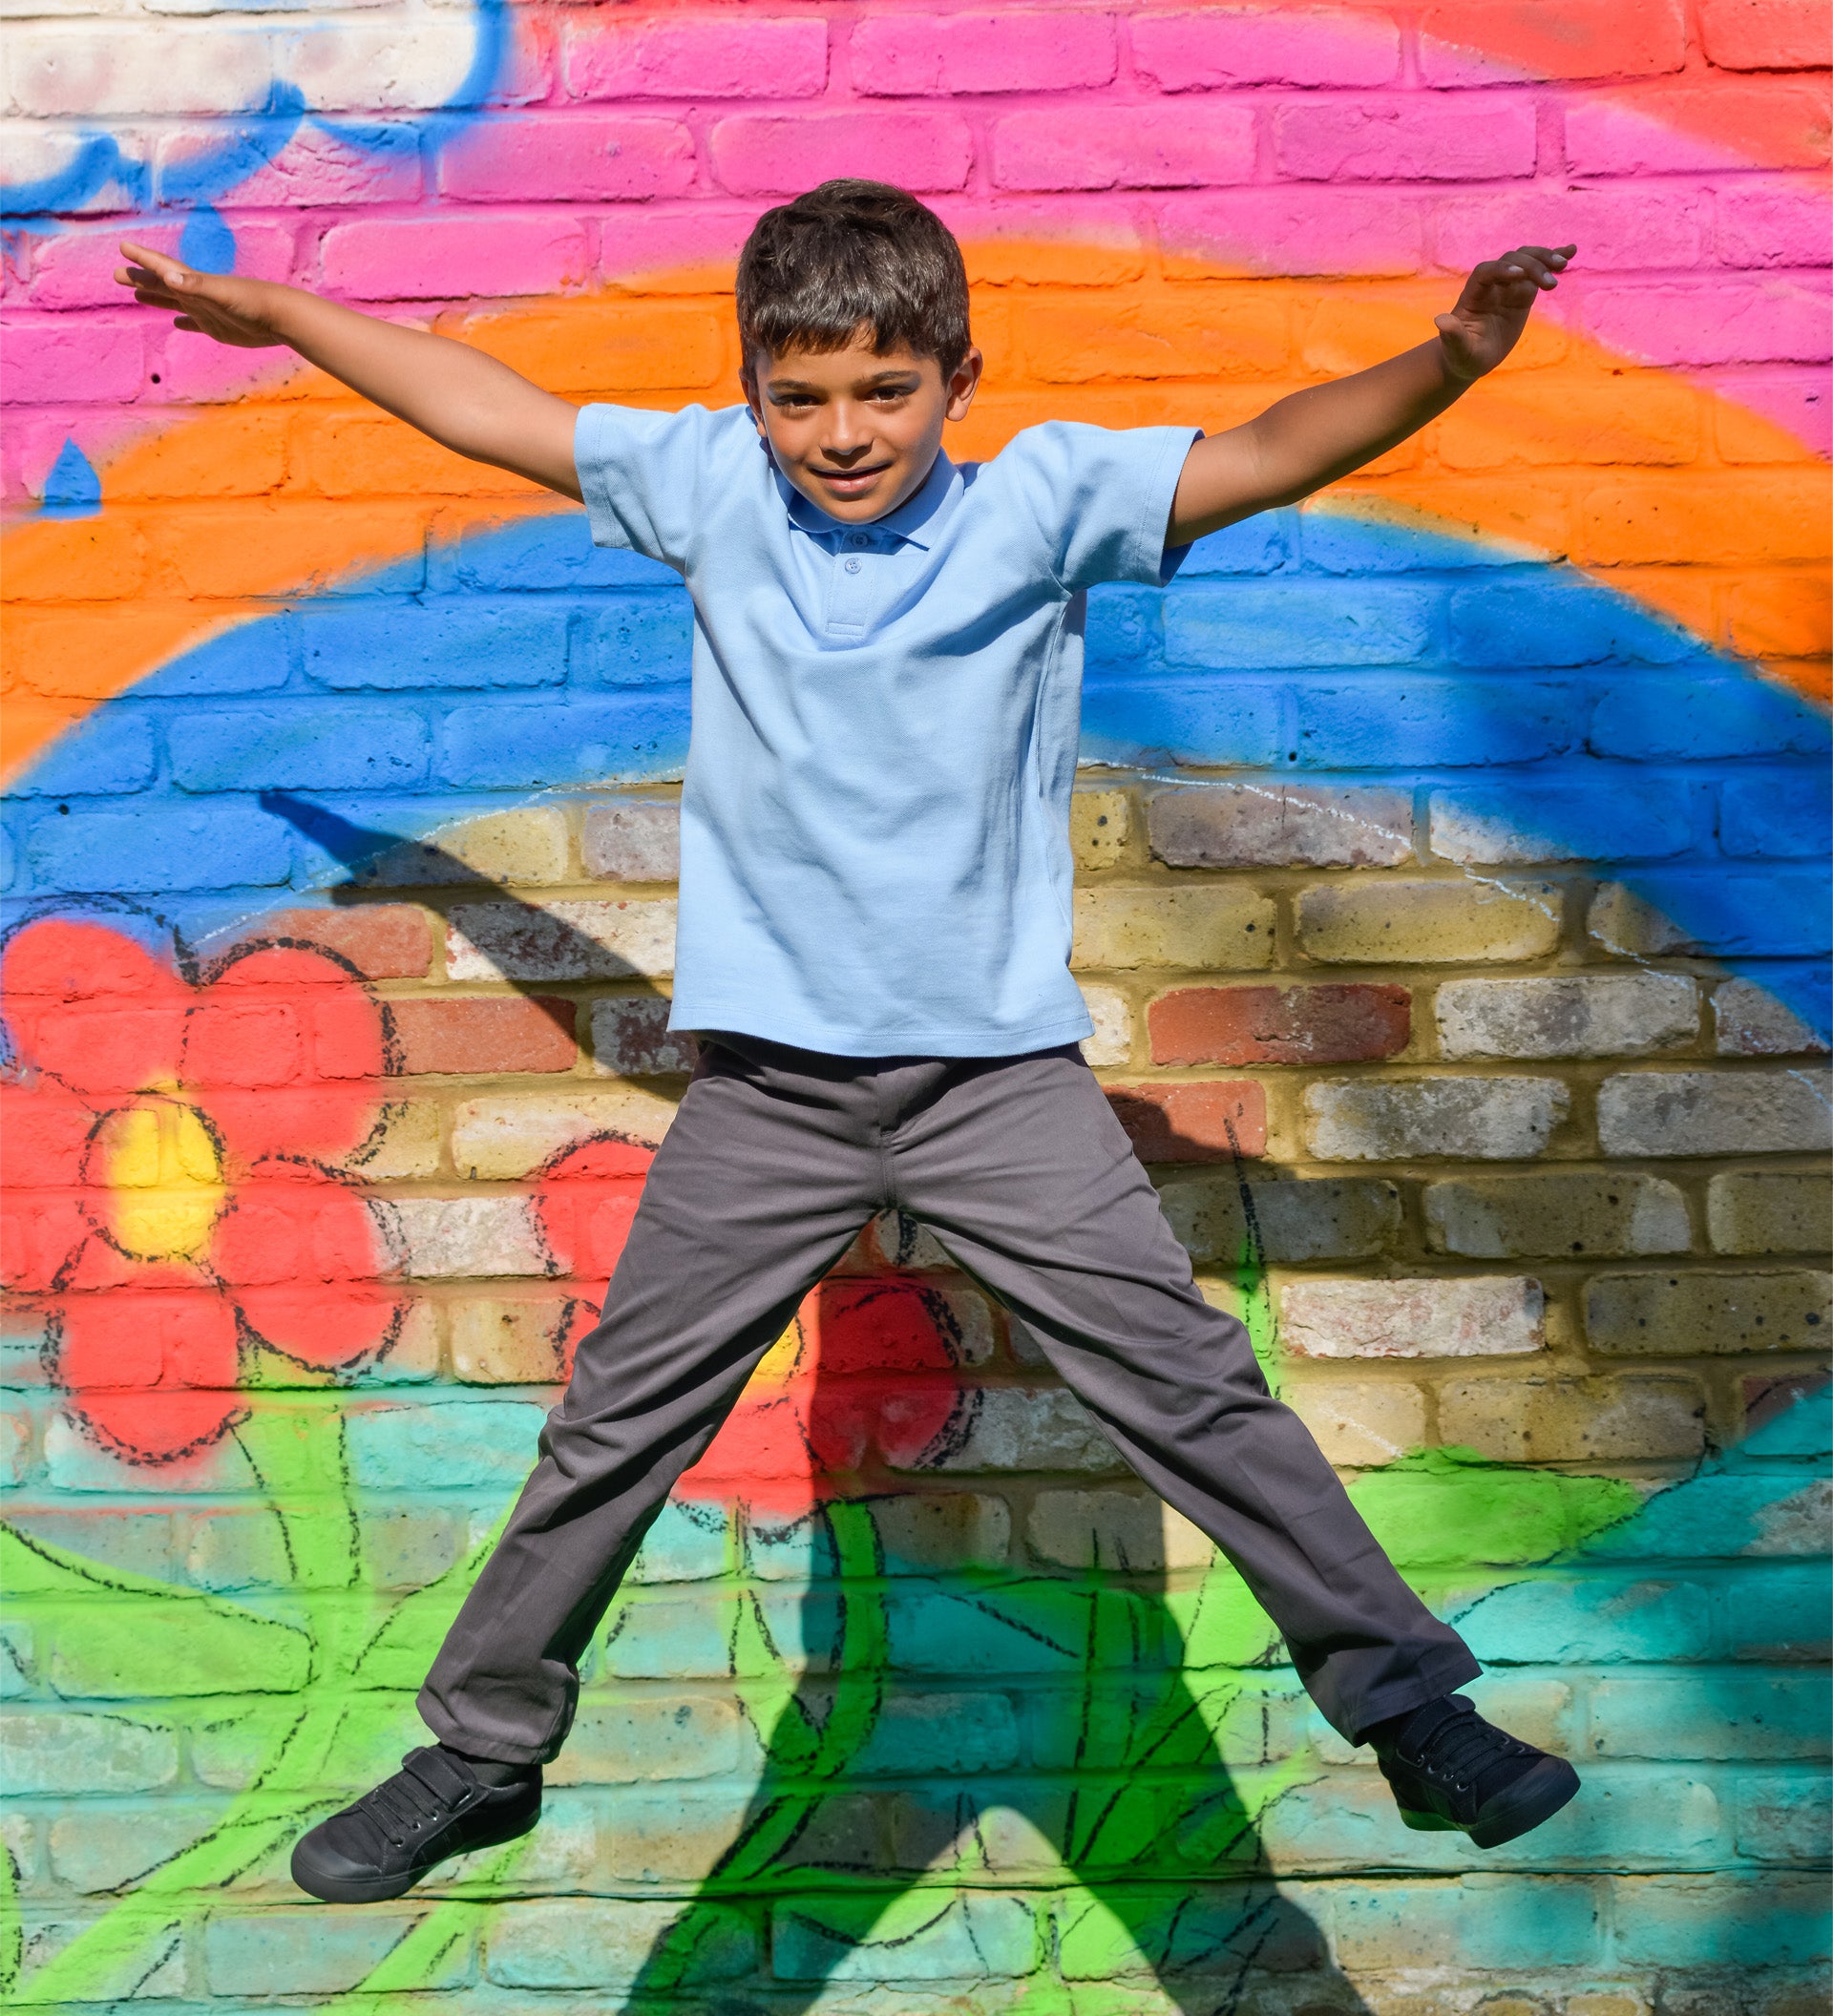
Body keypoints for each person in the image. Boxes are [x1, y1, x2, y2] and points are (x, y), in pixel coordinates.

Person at [116, 182, 1584, 1906]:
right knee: (618, 1420)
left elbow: (1271, 449)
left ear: (958, 374)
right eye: (799, 396)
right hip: (774, 1097)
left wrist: (1453, 360)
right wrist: (288, 320)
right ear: (752, 393)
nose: (840, 434)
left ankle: (1414, 1717)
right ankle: (484, 1750)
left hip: (994, 1085)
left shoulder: (1045, 506)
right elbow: (480, 398)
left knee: (1193, 1392)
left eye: (882, 391)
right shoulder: (711, 491)